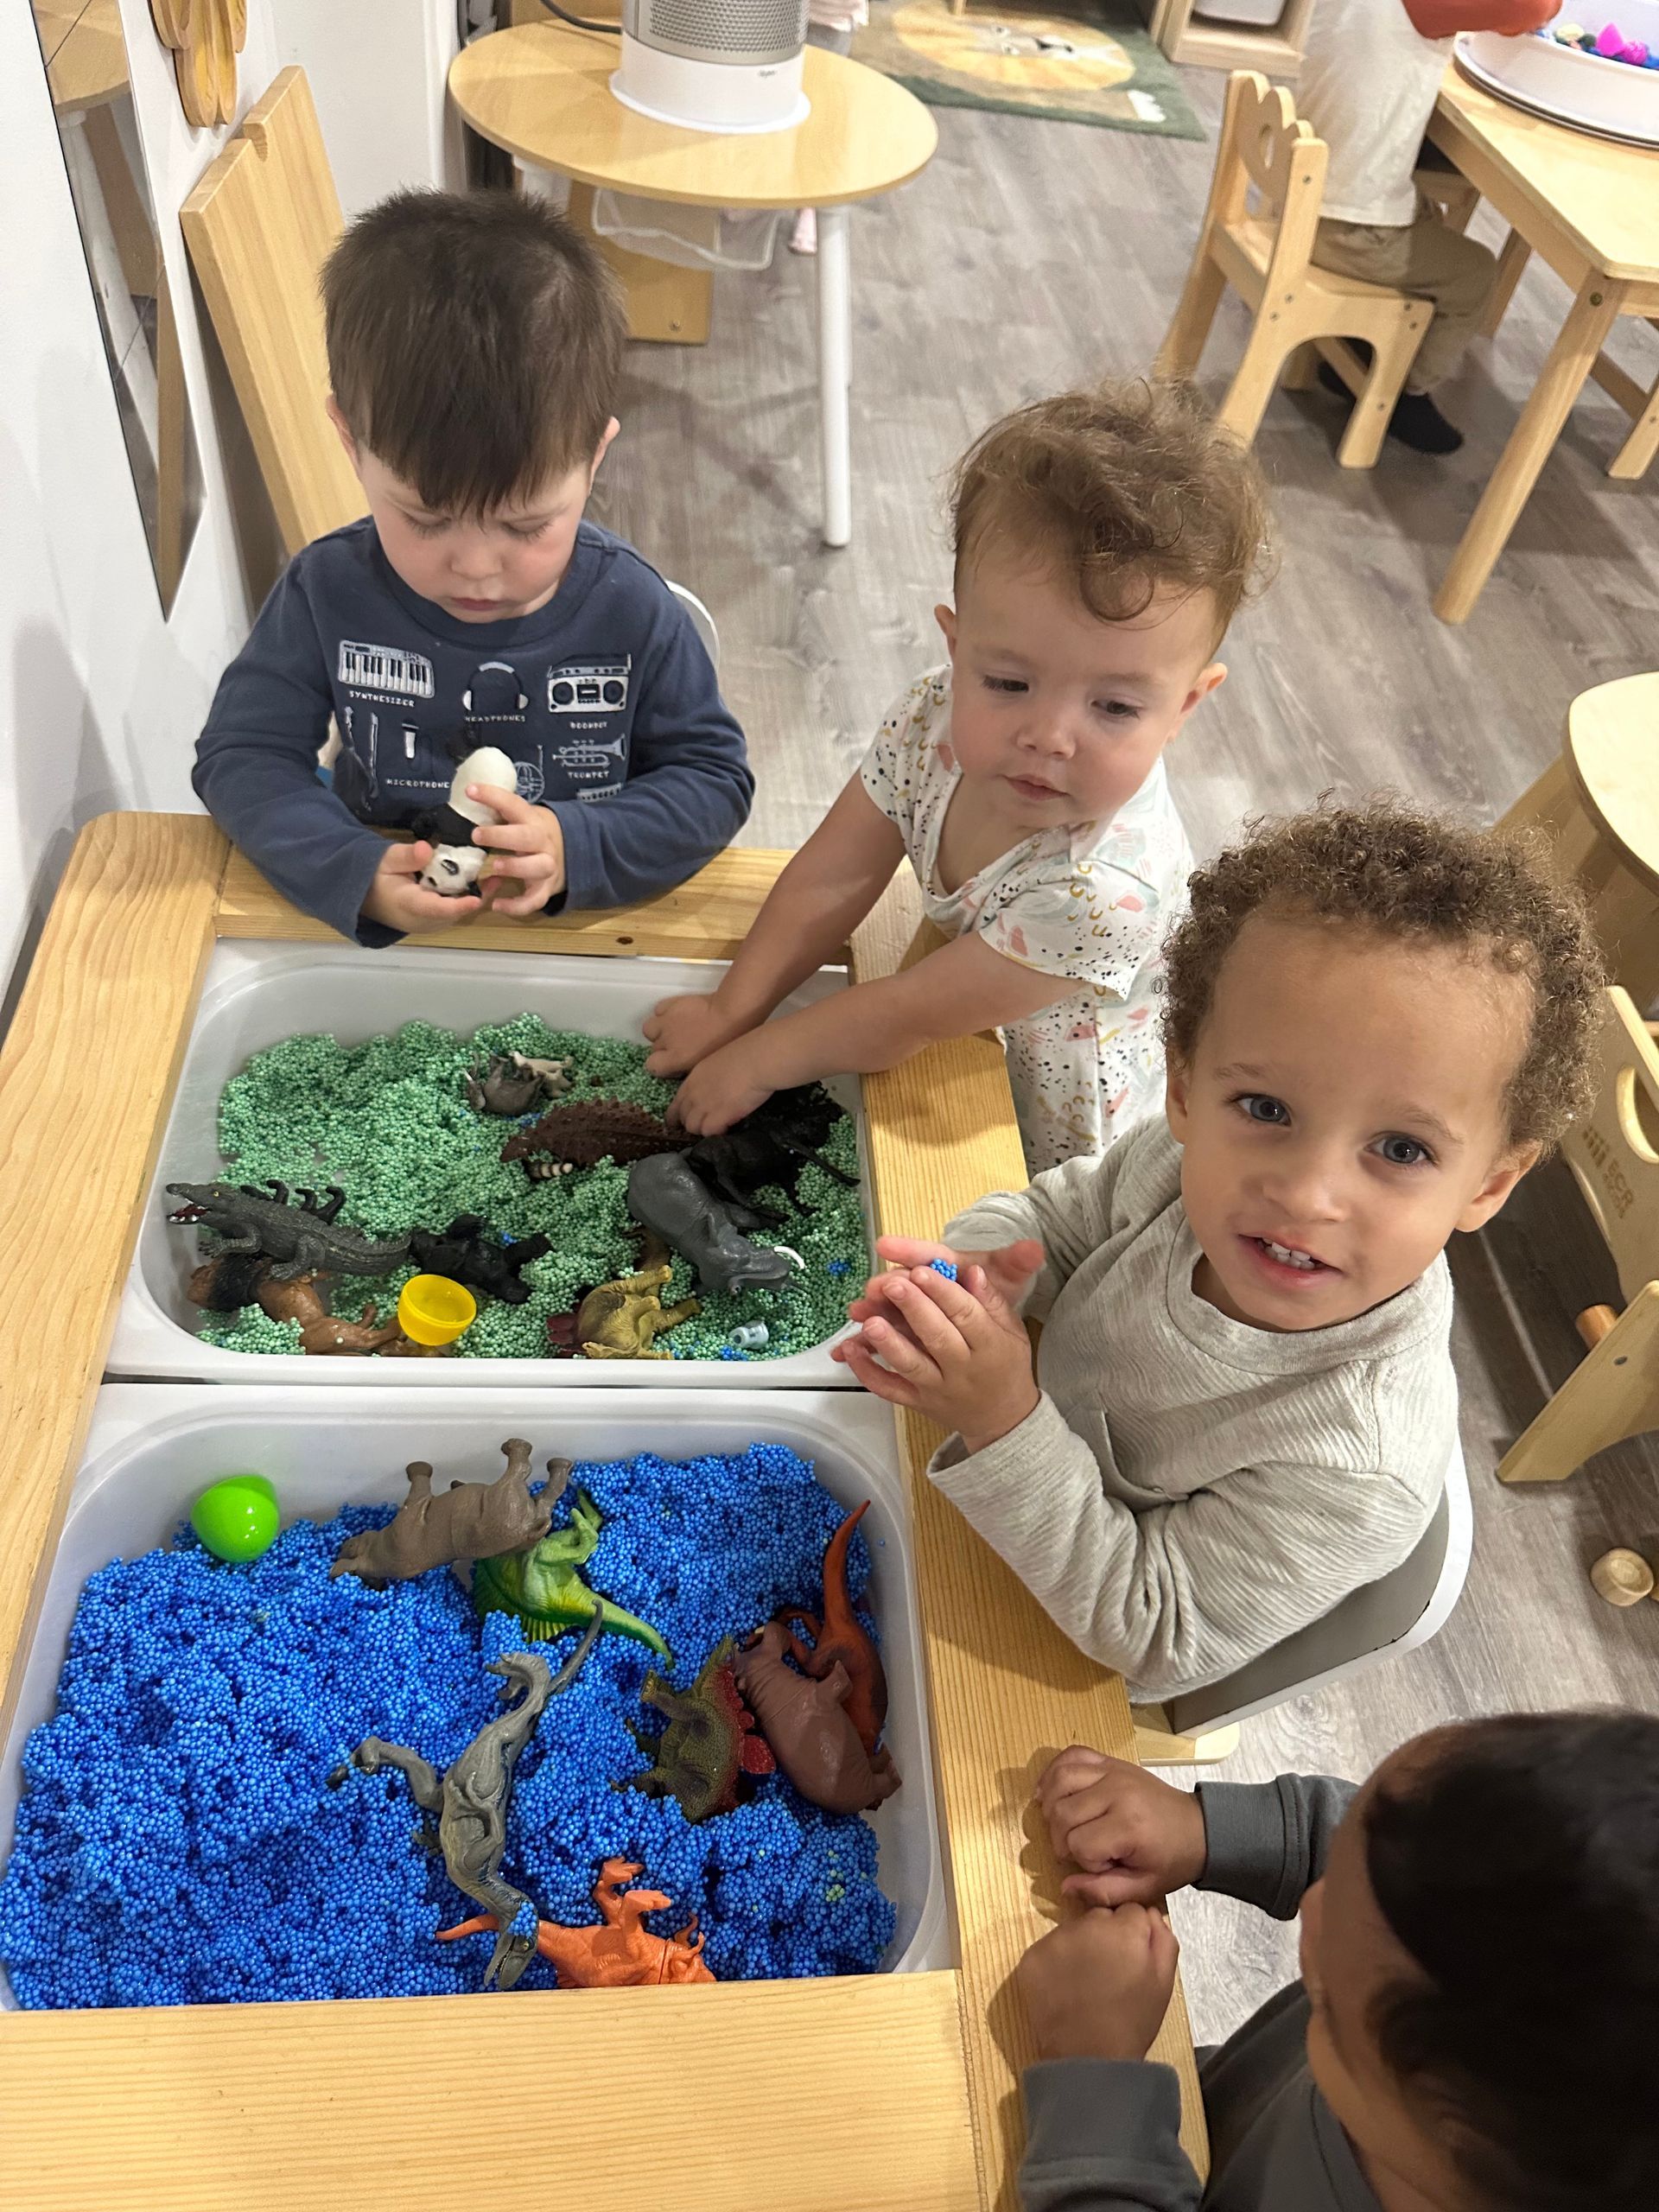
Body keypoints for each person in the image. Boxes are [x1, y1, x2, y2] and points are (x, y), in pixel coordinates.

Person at [832, 800, 1601, 1698]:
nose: (1306, 1193)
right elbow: (1070, 1212)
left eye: (1401, 1150)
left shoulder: (1358, 1460)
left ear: (1489, 1184)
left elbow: (1156, 1632)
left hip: (1052, 1628)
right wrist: (981, 1272)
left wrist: (1003, 1415)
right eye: (1268, 1109)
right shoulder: (1190, 1161)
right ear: (1187, 1088)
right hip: (990, 1462)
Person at [645, 382, 1269, 1174]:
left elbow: (906, 1015)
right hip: (964, 1016)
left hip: (1062, 1125)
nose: (1048, 736)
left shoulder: (1106, 889)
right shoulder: (931, 718)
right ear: (955, 644)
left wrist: (759, 1058)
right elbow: (832, 876)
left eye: (1114, 706)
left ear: (1185, 705)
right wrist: (734, 1006)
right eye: (1008, 683)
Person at [193, 190, 753, 947]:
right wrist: (349, 866)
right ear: (350, 442)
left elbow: (712, 782)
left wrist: (579, 843)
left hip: (577, 924)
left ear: (594, 458)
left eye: (528, 525)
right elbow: (244, 755)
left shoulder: (632, 609)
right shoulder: (326, 590)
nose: (478, 567)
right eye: (425, 518)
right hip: (392, 911)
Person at [1014, 1711, 1659, 2211]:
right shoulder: (1451, 2028)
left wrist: (1094, 2069)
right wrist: (1205, 1830)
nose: (1316, 1907)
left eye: (1328, 2004)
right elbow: (1388, 1846)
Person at [1298, 0, 1558, 456]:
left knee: (1425, 214)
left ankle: (1361, 349)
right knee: (1474, 273)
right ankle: (1400, 394)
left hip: (1303, 191)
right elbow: (1532, 7)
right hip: (1344, 225)